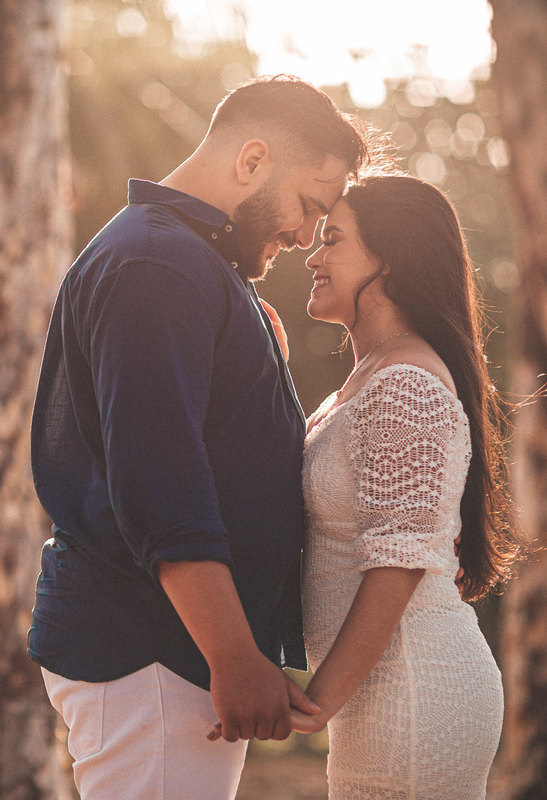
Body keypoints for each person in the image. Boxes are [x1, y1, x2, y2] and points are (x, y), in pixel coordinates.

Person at [27, 75, 371, 799]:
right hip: (153, 647)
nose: (305, 236)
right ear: (252, 161)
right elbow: (160, 481)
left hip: (168, 646)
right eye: (309, 206)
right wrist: (233, 654)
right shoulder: (158, 264)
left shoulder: (190, 263)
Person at [291, 175, 525, 798]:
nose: (313, 257)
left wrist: (317, 701)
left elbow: (398, 561)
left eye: (332, 239)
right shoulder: (371, 377)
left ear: (389, 258)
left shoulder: (405, 385)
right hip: (383, 690)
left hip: (415, 688)